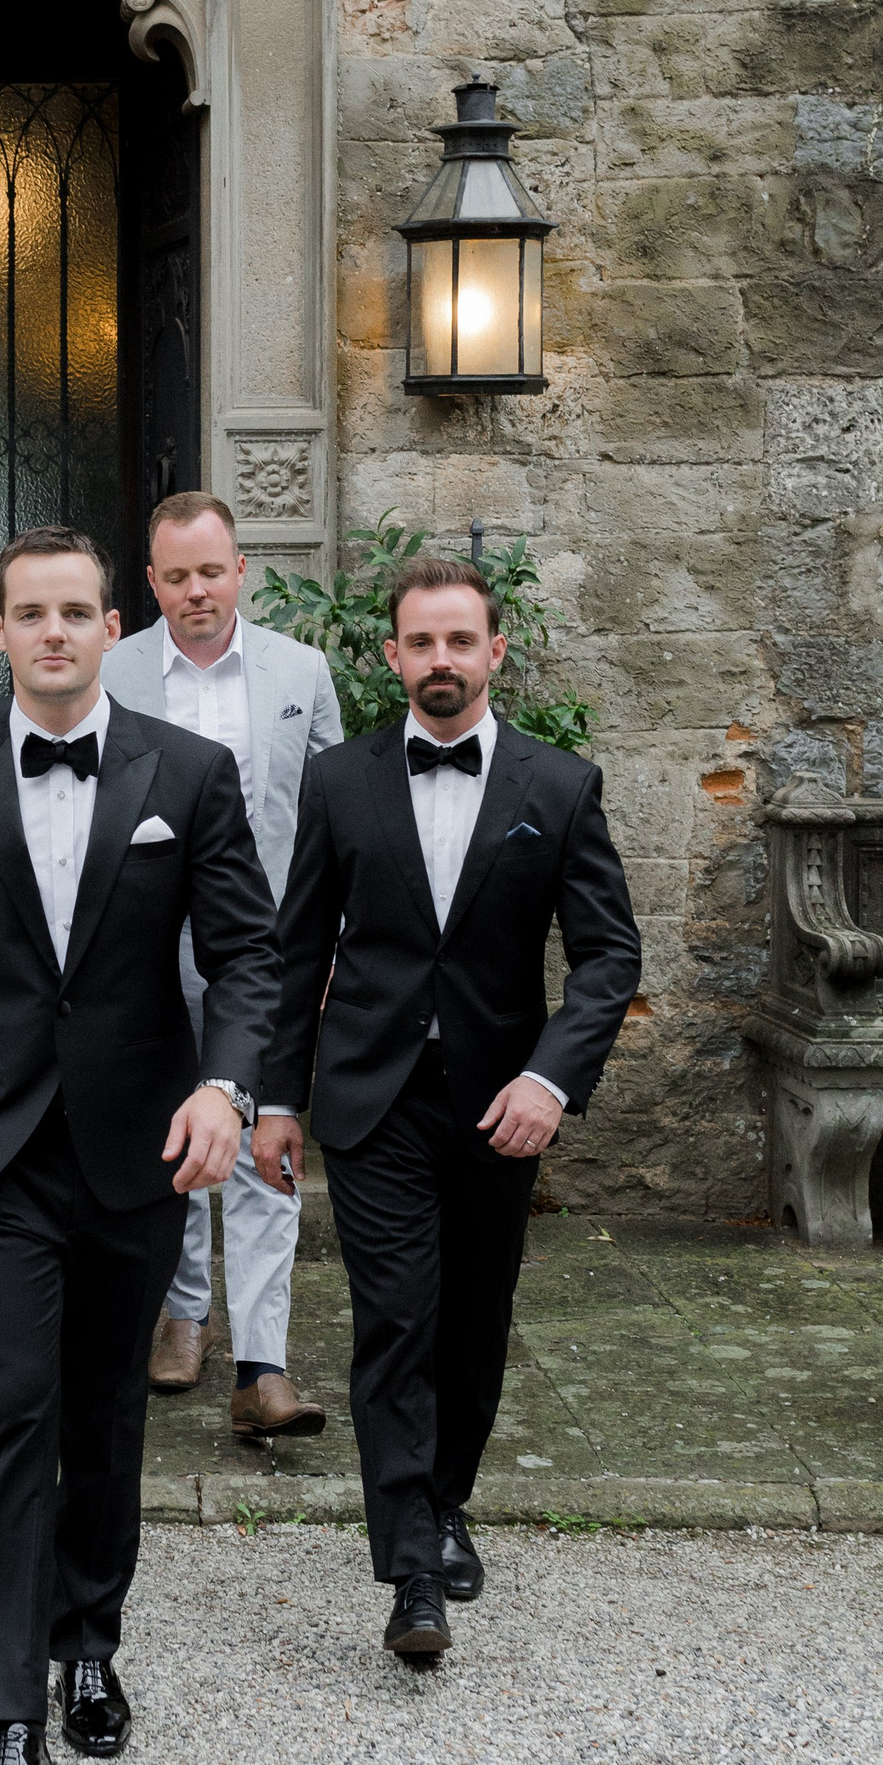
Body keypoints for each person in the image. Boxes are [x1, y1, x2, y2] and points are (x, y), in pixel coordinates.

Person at [0, 526, 281, 1765]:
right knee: (12, 1412)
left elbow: (249, 955)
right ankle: (5, 1722)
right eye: (30, 613)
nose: (54, 632)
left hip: (132, 1152)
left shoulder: (188, 773)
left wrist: (225, 1086)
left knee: (105, 1415)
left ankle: (88, 1638)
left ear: (113, 625)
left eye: (75, 611)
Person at [255, 555, 640, 1659]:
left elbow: (610, 955)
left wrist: (550, 1078)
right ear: (391, 655)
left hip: (498, 1104)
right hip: (372, 1097)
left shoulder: (558, 786)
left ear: (494, 651)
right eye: (420, 641)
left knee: (473, 1323)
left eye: (459, 640)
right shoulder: (341, 781)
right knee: (395, 1321)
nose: (440, 659)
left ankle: (448, 1498)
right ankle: (412, 1569)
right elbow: (295, 953)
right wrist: (277, 1097)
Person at [104, 489, 341, 1439]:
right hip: (146, 952)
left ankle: (265, 1362)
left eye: (212, 570)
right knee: (175, 1136)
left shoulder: (301, 670)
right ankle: (184, 1314)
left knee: (263, 1144)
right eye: (177, 575)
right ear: (151, 582)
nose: (197, 589)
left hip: (265, 951)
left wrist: (332, 945)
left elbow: (331, 817)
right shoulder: (113, 670)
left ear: (241, 570)